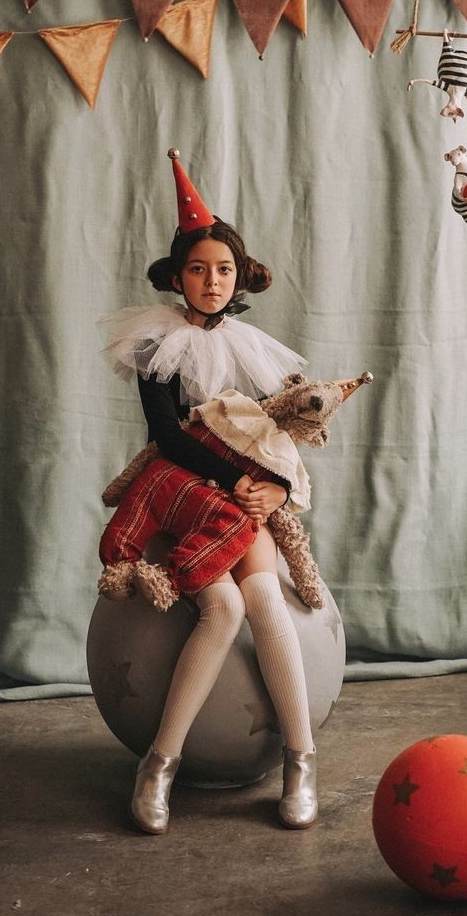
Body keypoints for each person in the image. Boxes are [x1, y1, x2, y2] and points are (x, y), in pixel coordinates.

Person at [100, 148, 318, 834]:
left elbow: (276, 432)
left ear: (240, 275)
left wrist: (272, 492)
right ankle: (159, 762)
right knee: (219, 606)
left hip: (242, 504)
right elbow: (166, 435)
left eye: (224, 268)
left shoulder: (254, 350)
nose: (212, 280)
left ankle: (301, 758)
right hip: (182, 495)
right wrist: (236, 480)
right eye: (198, 268)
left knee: (260, 593)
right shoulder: (156, 341)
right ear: (177, 276)